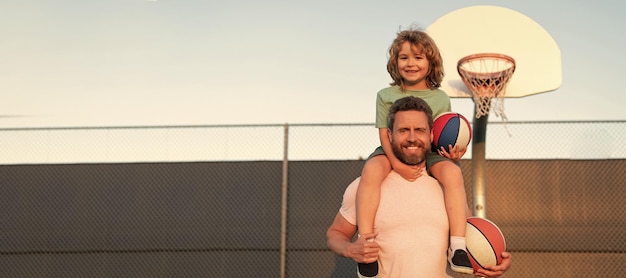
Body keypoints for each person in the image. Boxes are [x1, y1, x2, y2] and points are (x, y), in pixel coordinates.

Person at [327, 96, 511, 277]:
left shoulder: (447, 187)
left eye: (420, 130)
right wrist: (350, 249)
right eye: (403, 130)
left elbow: (473, 239)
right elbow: (336, 234)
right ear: (390, 135)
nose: (412, 138)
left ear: (431, 135)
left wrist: (493, 261)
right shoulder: (364, 187)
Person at [355, 28, 473, 277]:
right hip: (392, 147)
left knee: (452, 174)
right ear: (395, 62)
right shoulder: (385, 95)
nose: (411, 63)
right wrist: (397, 165)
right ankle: (367, 243)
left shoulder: (440, 98)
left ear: (431, 63)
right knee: (372, 169)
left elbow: (440, 135)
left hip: (427, 151)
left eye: (418, 57)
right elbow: (384, 134)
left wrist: (451, 155)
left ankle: (458, 247)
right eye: (404, 57)